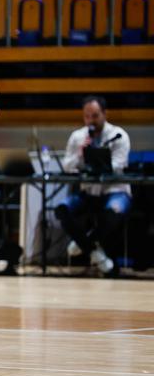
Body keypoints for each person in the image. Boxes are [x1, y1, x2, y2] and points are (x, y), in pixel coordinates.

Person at [56, 95, 131, 274]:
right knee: (62, 209)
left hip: (115, 191)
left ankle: (86, 241)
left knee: (114, 210)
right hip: (88, 192)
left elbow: (119, 165)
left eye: (95, 116)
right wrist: (81, 153)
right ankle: (94, 250)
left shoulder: (118, 135)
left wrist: (98, 159)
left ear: (105, 114)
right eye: (87, 116)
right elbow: (67, 165)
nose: (91, 121)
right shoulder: (78, 137)